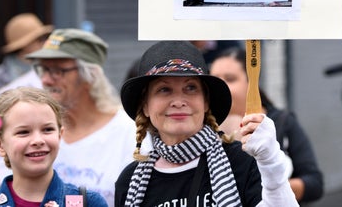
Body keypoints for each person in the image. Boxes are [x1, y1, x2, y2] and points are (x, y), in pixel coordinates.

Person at [115, 41, 298, 207]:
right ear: (145, 106)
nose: (178, 101)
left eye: (190, 88)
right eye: (164, 89)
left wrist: (270, 161)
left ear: (206, 102)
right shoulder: (130, 181)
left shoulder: (243, 162)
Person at [25, 28, 137, 206]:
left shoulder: (129, 133)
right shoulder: (37, 134)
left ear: (89, 75)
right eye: (43, 69)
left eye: (57, 71)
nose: (46, 79)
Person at [210, 47, 324, 204]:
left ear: (251, 82)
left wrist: (272, 186)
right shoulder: (207, 130)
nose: (223, 87)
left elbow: (315, 184)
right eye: (216, 80)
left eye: (230, 79)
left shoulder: (282, 122)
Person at [0, 86, 108, 207]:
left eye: (47, 129)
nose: (38, 140)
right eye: (23, 132)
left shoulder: (88, 203)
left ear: (60, 135)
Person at [0, 13, 53, 100]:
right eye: (39, 39)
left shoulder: (50, 70)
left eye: (45, 38)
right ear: (25, 44)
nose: (43, 42)